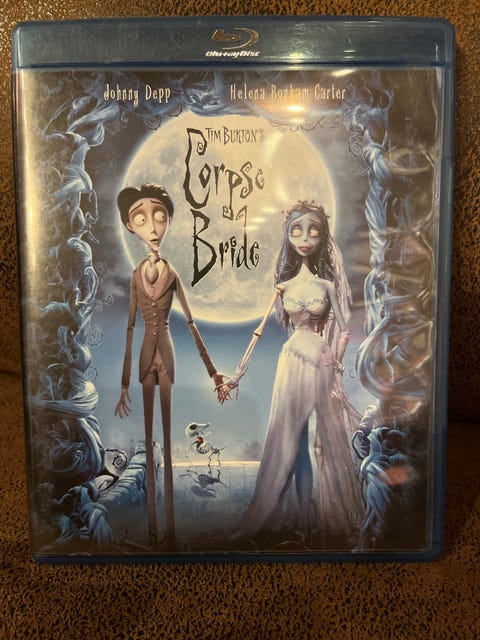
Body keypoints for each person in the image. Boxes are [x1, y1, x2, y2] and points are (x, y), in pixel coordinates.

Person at [219, 200, 364, 547]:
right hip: (291, 361)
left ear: (323, 236)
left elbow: (344, 330)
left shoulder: (327, 285)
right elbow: (258, 332)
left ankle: (319, 520)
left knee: (321, 440)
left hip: (320, 361)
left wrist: (336, 362)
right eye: (297, 230)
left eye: (313, 230)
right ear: (288, 235)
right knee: (294, 440)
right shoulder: (283, 286)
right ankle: (303, 520)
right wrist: (237, 374)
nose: (305, 238)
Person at [114, 183, 227, 550]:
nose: (152, 226)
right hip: (145, 355)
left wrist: (212, 372)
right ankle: (151, 529)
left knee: (165, 434)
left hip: (167, 354)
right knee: (149, 441)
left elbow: (191, 323)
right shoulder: (135, 275)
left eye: (160, 217)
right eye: (141, 219)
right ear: (130, 226)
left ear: (167, 222)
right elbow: (130, 328)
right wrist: (124, 385)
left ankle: (172, 531)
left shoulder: (173, 273)